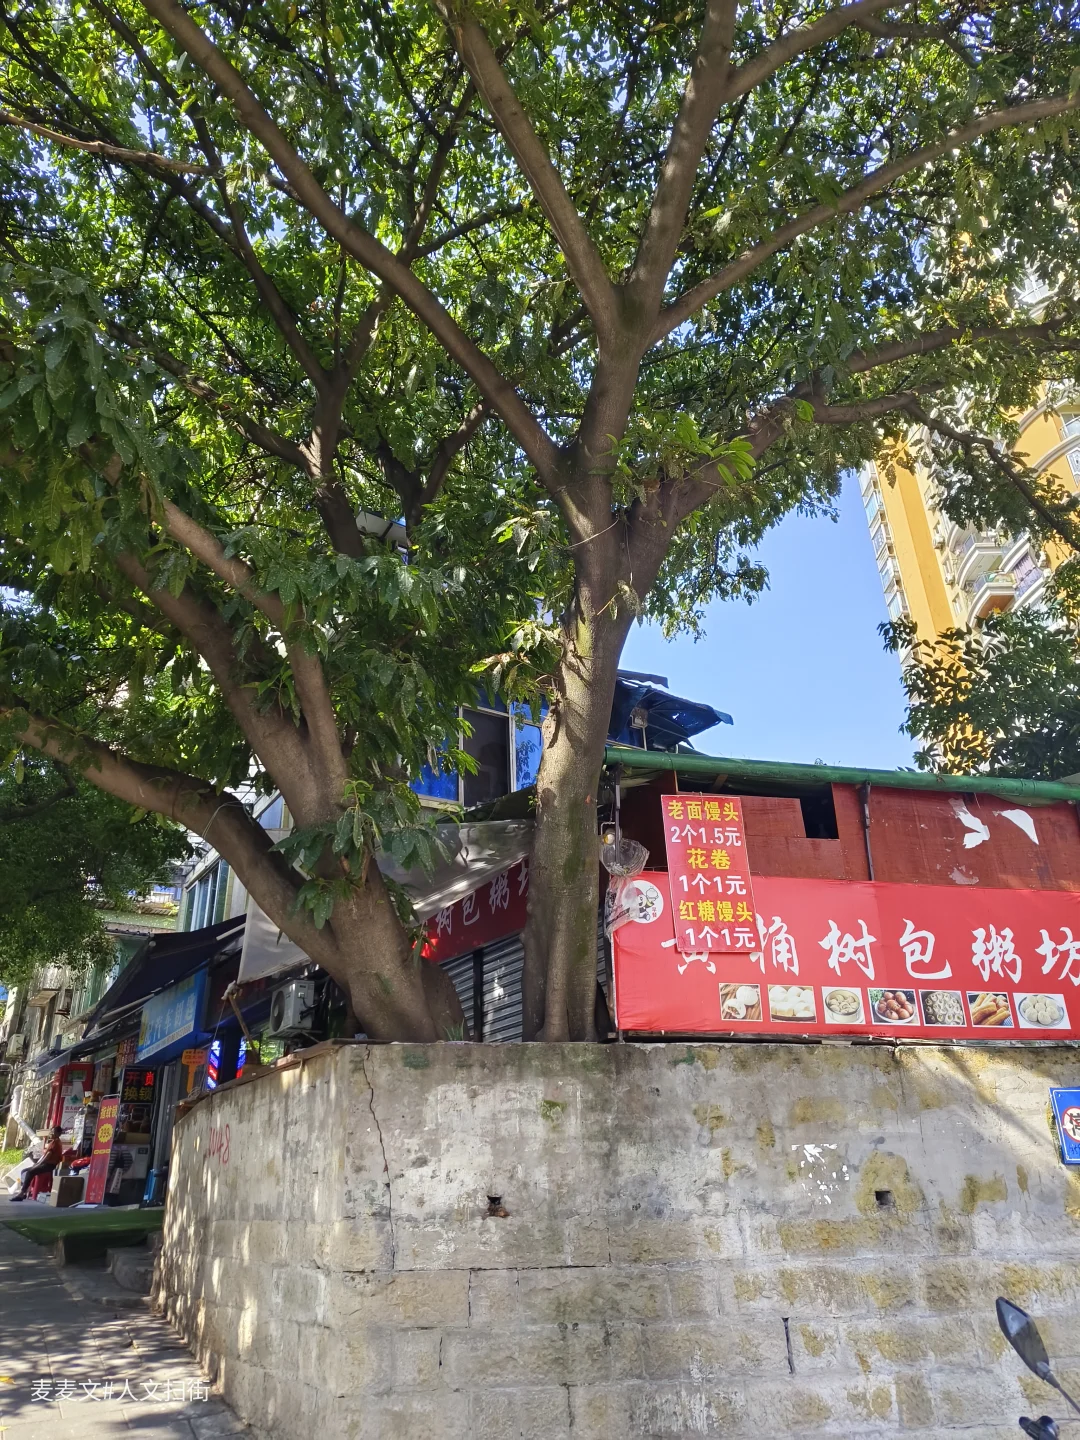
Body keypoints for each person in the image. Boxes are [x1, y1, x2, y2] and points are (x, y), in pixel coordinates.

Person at [10, 1127, 64, 1201]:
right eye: (50, 1132)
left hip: (49, 1165)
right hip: (46, 1164)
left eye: (53, 1132)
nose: (51, 1134)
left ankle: (21, 1193)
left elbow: (47, 1156)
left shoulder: (56, 1143)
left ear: (58, 1134)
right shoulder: (53, 1142)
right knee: (24, 1171)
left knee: (30, 1172)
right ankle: (25, 1192)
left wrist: (38, 1164)